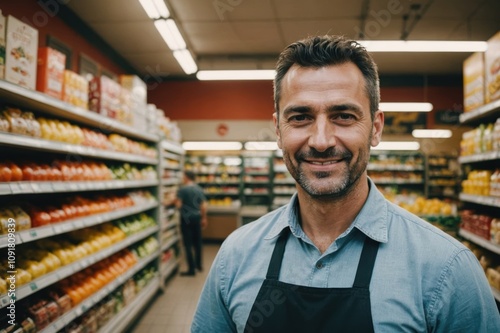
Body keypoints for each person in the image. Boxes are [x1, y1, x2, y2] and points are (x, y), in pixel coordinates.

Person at [191, 35, 500, 332]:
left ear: (376, 128)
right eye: (300, 117)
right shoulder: (235, 256)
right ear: (278, 129)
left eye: (343, 116)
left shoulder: (446, 269)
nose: (321, 141)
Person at [176, 171, 208, 276]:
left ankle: (191, 269)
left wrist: (171, 202)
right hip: (197, 218)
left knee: (188, 244)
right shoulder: (199, 189)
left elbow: (178, 205)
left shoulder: (182, 190)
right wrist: (204, 218)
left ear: (186, 177)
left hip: (186, 219)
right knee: (198, 242)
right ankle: (199, 265)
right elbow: (203, 205)